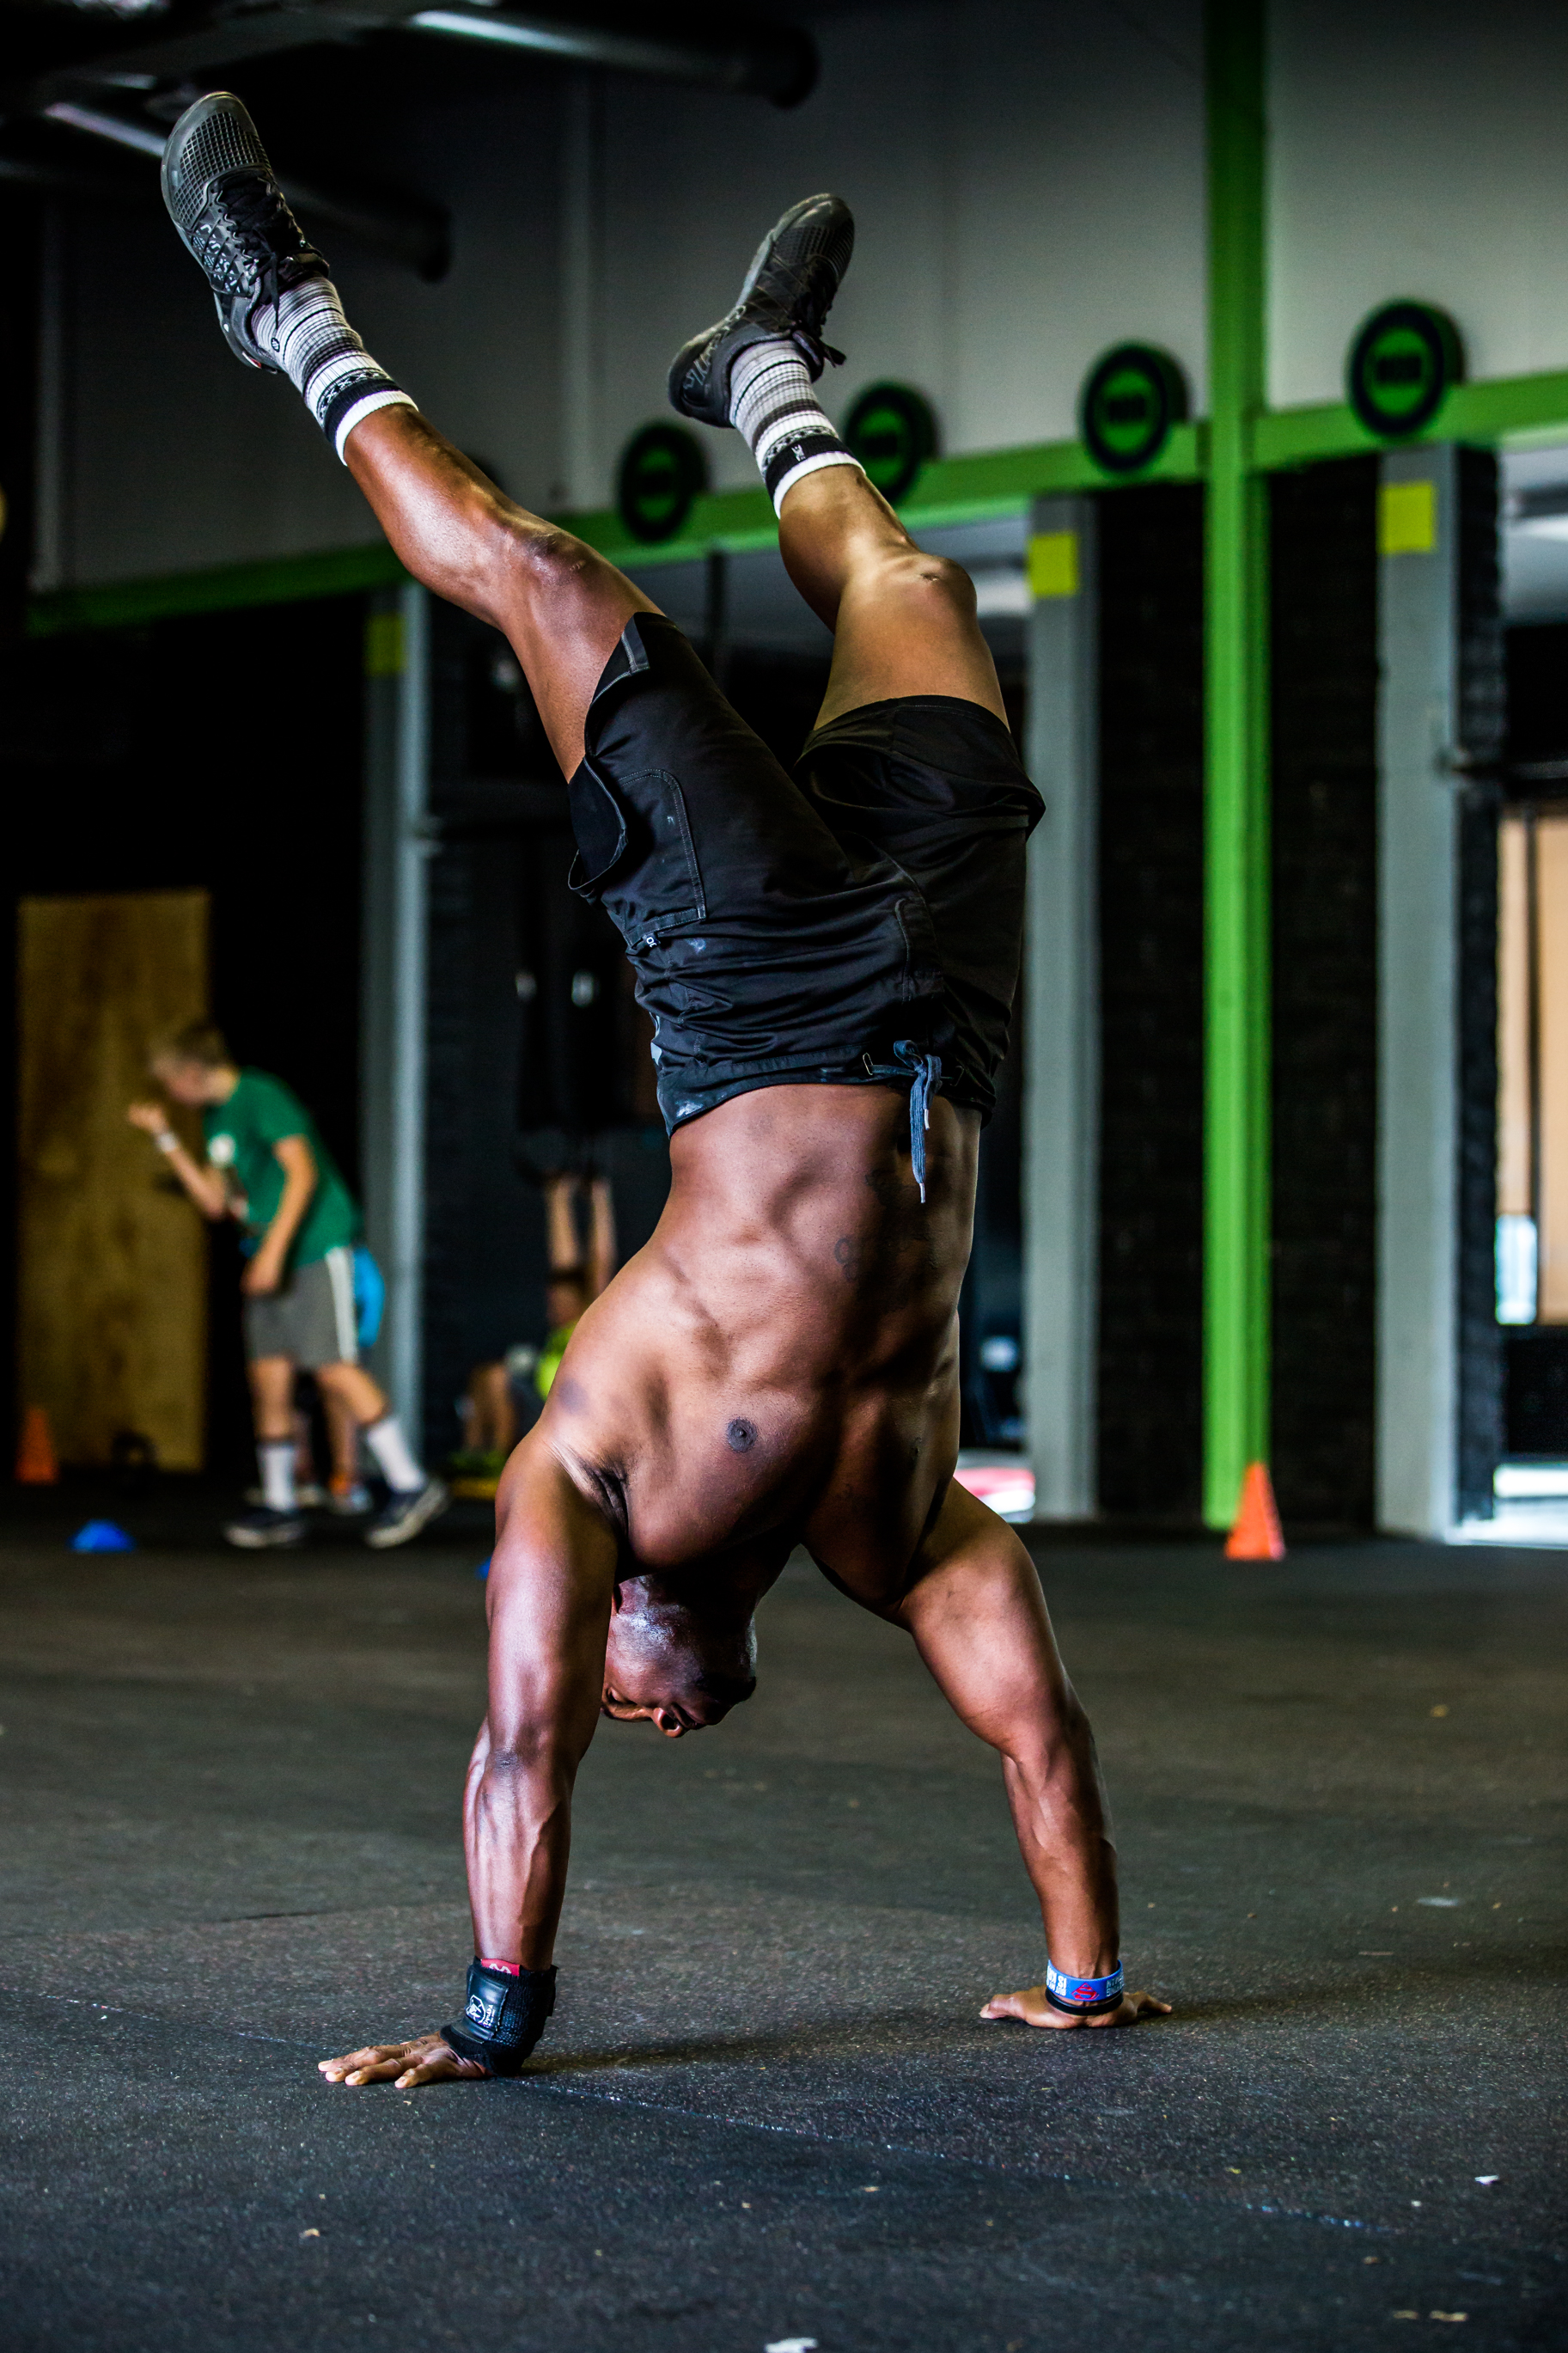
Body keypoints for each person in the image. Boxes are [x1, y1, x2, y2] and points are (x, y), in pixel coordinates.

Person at [157, 92, 1168, 2087]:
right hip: (937, 1010)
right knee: (926, 601)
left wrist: (486, 2019)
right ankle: (765, 379)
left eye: (619, 1675)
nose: (642, 1704)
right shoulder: (888, 1527)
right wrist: (1075, 1986)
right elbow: (1039, 1742)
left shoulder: (581, 1474)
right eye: (650, 1689)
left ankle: (276, 303)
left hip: (755, 993)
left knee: (542, 570)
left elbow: (513, 1741)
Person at [128, 1019, 448, 1549]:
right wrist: (165, 1138)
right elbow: (214, 1202)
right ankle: (281, 1503)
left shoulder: (260, 1094)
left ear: (190, 1070)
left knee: (333, 1367)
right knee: (268, 1378)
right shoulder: (215, 1119)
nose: (169, 1091)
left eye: (168, 1080)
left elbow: (303, 1174)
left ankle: (412, 1485)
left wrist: (274, 1253)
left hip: (315, 1248)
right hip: (267, 1256)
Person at [459, 1173, 618, 1471]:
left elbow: (599, 1262)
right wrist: (557, 1198)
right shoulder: (563, 1330)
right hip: (545, 1403)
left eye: (556, 1298)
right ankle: (475, 1452)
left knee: (496, 1376)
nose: (551, 1303)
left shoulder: (591, 1321)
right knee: (487, 1374)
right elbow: (562, 1266)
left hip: (568, 1414)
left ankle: (499, 1458)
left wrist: (598, 1199)